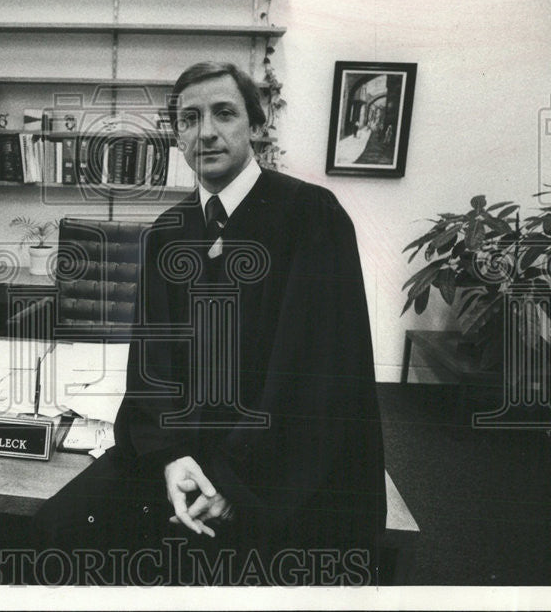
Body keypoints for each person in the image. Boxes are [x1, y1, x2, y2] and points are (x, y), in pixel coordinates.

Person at [33, 61, 386, 585]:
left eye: (224, 113)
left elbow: (315, 376)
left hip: (280, 467)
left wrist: (229, 481)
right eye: (190, 119)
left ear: (257, 126)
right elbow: (151, 369)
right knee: (55, 534)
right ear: (177, 137)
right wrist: (171, 458)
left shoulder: (311, 217)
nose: (207, 132)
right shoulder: (167, 233)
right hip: (179, 453)